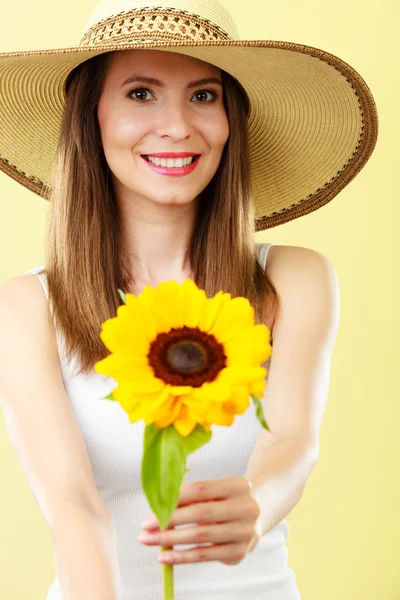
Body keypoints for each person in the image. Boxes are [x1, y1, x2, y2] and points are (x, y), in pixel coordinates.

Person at [0, 0, 378, 598]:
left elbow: (291, 443)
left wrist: (255, 504)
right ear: (90, 118)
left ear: (232, 120)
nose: (177, 126)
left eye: (204, 95)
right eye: (141, 93)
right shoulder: (25, 307)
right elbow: (73, 507)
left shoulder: (294, 280)